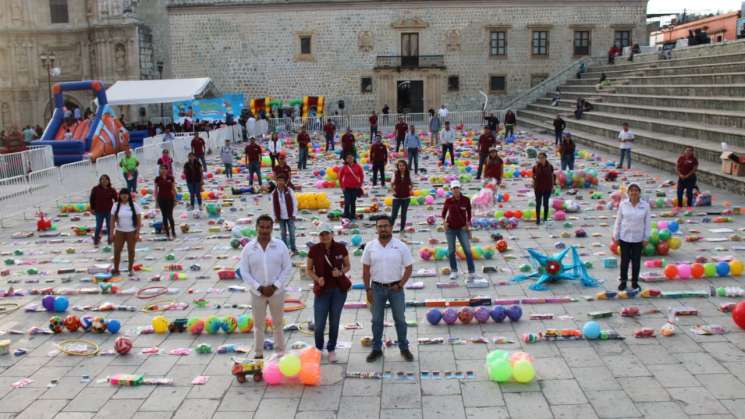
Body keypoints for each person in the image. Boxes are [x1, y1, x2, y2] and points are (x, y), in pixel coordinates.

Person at [239, 214, 292, 359]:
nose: (264, 230)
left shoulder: (280, 245)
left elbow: (287, 268)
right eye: (261, 227)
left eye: (268, 227)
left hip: (277, 293)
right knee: (258, 325)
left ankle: (280, 352)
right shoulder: (249, 248)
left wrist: (274, 286)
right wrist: (259, 287)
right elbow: (244, 271)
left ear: (272, 228)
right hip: (257, 294)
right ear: (256, 228)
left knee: (278, 324)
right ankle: (258, 353)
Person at [362, 215, 414, 362]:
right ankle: (376, 349)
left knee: (400, 319)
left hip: (396, 288)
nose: (383, 229)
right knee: (376, 320)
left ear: (391, 227)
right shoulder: (370, 246)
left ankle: (404, 348)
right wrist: (368, 289)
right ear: (376, 228)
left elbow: (409, 268)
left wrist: (400, 284)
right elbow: (365, 270)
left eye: (386, 226)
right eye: (380, 226)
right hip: (376, 288)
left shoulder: (400, 246)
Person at [306, 225, 351, 363]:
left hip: (338, 290)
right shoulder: (314, 249)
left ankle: (331, 348)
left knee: (334, 321)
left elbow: (348, 265)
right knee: (319, 323)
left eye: (326, 233)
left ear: (332, 234)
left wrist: (341, 272)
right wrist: (317, 279)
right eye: (321, 234)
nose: (324, 236)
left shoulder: (340, 248)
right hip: (322, 290)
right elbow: (309, 269)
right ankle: (319, 348)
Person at [613, 183, 650, 292]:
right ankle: (623, 282)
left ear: (639, 192)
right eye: (631, 190)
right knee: (624, 261)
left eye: (636, 190)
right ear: (628, 192)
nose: (634, 192)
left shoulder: (645, 206)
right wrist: (616, 235)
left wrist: (646, 238)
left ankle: (634, 282)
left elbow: (647, 223)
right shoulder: (623, 204)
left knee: (636, 261)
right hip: (624, 237)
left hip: (638, 238)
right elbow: (618, 220)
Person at [442, 180, 478, 280]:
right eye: (454, 188)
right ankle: (454, 271)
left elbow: (469, 212)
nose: (456, 190)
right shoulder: (448, 201)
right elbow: (443, 213)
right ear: (451, 190)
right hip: (450, 229)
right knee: (451, 251)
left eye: (457, 187)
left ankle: (472, 272)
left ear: (460, 188)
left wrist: (468, 223)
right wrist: (444, 223)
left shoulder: (466, 200)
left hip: (462, 228)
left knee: (467, 250)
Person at [111, 188, 142, 276]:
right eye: (122, 194)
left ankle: (130, 268)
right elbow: (112, 220)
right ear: (119, 196)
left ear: (129, 195)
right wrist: (111, 233)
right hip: (119, 231)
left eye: (126, 194)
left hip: (131, 232)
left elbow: (139, 221)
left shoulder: (134, 206)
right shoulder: (116, 205)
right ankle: (116, 269)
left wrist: (137, 233)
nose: (124, 196)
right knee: (117, 250)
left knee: (131, 251)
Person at [270, 173, 299, 254]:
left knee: (292, 233)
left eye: (282, 181)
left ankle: (293, 248)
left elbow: (294, 202)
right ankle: (284, 250)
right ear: (276, 181)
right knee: (283, 234)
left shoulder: (289, 191)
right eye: (279, 180)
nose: (280, 182)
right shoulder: (274, 193)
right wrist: (274, 217)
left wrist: (294, 214)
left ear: (285, 182)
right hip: (280, 217)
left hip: (290, 216)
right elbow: (272, 206)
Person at [89, 175, 117, 246]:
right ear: (100, 181)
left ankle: (109, 240)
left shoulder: (112, 190)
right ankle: (96, 240)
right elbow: (92, 199)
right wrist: (92, 209)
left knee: (109, 226)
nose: (104, 181)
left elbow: (116, 200)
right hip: (99, 211)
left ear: (109, 181)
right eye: (102, 180)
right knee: (98, 226)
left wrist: (116, 209)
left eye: (106, 180)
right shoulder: (95, 189)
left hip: (109, 211)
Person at [154, 165, 177, 240]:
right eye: (161, 169)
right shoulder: (157, 179)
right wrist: (156, 201)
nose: (163, 170)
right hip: (161, 199)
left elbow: (173, 189)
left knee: (170, 215)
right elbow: (156, 190)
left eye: (164, 169)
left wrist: (175, 199)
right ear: (159, 170)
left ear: (167, 170)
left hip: (170, 198)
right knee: (164, 216)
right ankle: (167, 233)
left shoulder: (170, 178)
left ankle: (173, 231)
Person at [532, 152, 555, 225]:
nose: (541, 159)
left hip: (547, 188)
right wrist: (534, 179)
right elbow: (533, 176)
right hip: (538, 188)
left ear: (545, 158)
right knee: (538, 203)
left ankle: (545, 219)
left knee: (546, 203)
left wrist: (553, 186)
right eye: (539, 158)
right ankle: (538, 219)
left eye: (542, 157)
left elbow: (552, 176)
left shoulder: (550, 166)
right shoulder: (535, 167)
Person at [339, 153, 364, 221]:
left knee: (353, 202)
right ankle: (346, 215)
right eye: (348, 158)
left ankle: (352, 215)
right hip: (346, 187)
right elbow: (340, 177)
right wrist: (342, 186)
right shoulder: (344, 167)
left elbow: (361, 176)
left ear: (354, 158)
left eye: (351, 158)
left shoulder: (358, 166)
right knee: (347, 202)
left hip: (355, 187)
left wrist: (359, 185)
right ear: (346, 160)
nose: (350, 159)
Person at [390, 160, 412, 233]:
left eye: (403, 165)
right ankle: (390, 228)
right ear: (398, 166)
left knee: (403, 214)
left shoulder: (408, 173)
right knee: (394, 215)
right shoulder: (395, 174)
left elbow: (411, 183)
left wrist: (410, 190)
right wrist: (393, 191)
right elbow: (392, 184)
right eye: (400, 165)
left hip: (406, 198)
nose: (401, 167)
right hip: (396, 198)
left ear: (405, 166)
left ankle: (402, 229)